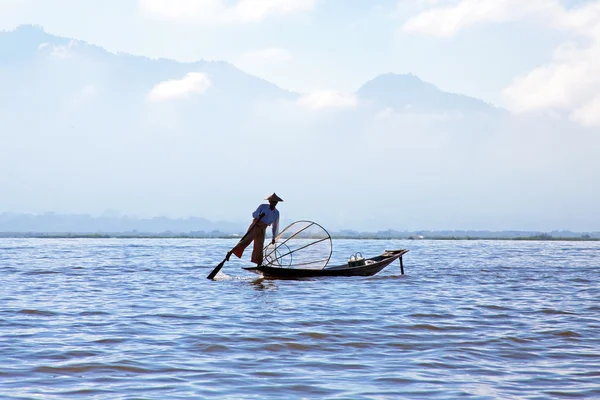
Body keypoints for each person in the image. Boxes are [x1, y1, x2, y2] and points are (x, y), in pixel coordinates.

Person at [226, 193, 283, 265]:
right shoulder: (263, 207)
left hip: (263, 229)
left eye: (275, 202)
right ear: (269, 201)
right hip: (255, 226)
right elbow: (254, 214)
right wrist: (259, 215)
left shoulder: (276, 213)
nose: (273, 203)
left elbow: (275, 226)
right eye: (272, 201)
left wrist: (273, 237)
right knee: (245, 241)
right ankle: (230, 252)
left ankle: (259, 263)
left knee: (259, 247)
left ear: (277, 203)